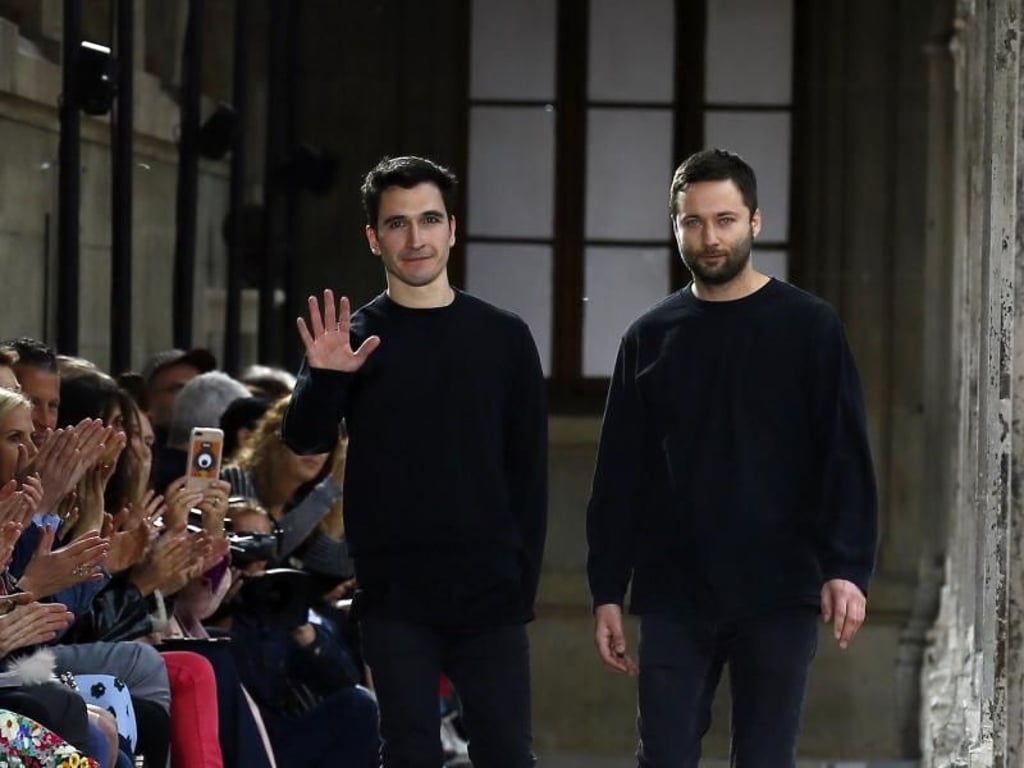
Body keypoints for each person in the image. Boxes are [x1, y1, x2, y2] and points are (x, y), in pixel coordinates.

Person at [586, 148, 879, 767]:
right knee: (662, 756)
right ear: (675, 228)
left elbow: (843, 455)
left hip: (779, 587)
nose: (709, 237)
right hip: (674, 589)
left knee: (765, 758)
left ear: (755, 222)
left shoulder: (810, 327)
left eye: (724, 219)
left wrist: (847, 565)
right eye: (693, 221)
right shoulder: (650, 336)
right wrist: (606, 588)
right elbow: (619, 475)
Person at [282, 155, 547, 768]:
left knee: (508, 754)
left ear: (452, 228)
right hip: (395, 593)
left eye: (429, 219)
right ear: (374, 238)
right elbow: (303, 444)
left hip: (491, 595)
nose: (416, 237)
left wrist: (519, 583)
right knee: (408, 753)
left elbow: (529, 475)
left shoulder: (504, 337)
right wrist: (323, 379)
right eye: (397, 224)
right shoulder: (349, 338)